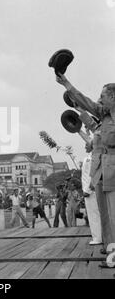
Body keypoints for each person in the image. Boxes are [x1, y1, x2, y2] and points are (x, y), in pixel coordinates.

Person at [56, 73, 115, 267]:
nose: (100, 99)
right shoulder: (104, 115)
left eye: (103, 96)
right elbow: (87, 104)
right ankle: (111, 250)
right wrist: (66, 83)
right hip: (102, 171)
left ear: (113, 97)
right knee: (105, 214)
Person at [81, 143, 102, 244]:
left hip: (90, 191)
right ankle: (97, 236)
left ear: (92, 145)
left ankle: (97, 238)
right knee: (93, 214)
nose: (85, 147)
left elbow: (92, 174)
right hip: (88, 190)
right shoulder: (88, 157)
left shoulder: (93, 157)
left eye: (86, 145)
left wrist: (88, 190)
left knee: (94, 215)